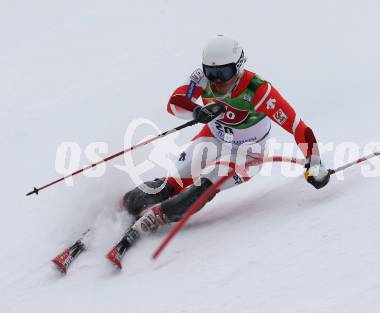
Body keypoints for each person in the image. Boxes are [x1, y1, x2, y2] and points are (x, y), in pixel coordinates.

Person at [107, 35, 330, 266]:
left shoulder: (259, 91)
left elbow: (299, 128)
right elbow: (175, 102)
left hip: (247, 153)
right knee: (171, 184)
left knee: (204, 186)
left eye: (223, 74)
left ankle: (155, 218)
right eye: (211, 73)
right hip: (213, 138)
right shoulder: (201, 79)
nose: (216, 81)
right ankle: (123, 204)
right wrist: (197, 111)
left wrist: (315, 163)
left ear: (238, 68)